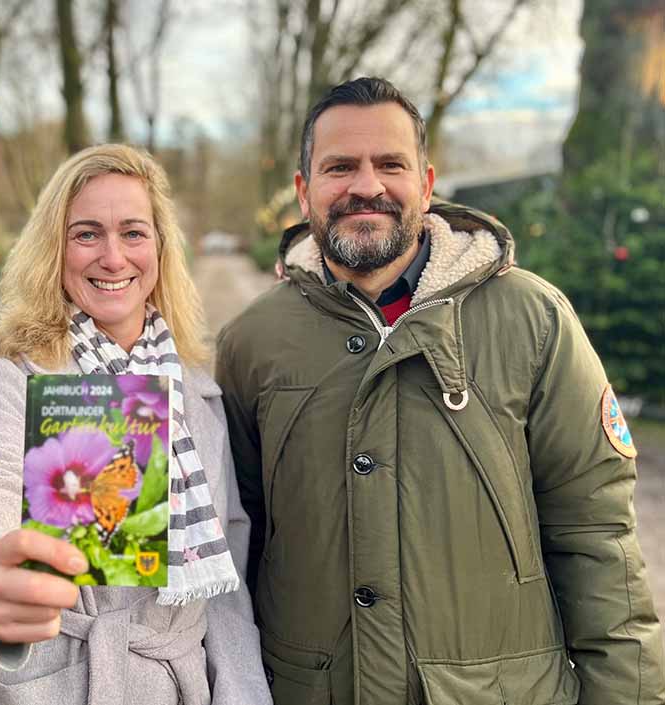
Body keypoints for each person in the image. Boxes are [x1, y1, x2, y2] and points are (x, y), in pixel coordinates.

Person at [215, 76, 665, 705]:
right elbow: (234, 543)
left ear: (426, 184)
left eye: (390, 164)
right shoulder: (250, 343)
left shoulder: (533, 320)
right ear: (304, 190)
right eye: (339, 166)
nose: (365, 186)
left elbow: (597, 539)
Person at [0, 144, 272, 705]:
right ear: (55, 248)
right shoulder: (16, 377)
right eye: (86, 234)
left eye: (132, 232)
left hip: (180, 684)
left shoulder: (197, 387)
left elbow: (226, 582)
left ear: (159, 246)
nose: (113, 256)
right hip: (52, 684)